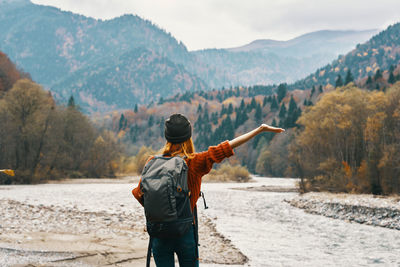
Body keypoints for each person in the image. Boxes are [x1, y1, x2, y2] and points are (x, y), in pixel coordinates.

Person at [132, 113, 285, 267]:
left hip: (159, 232)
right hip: (184, 234)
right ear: (188, 137)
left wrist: (162, 210)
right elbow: (228, 146)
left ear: (167, 137)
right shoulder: (195, 162)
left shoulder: (152, 162)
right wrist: (259, 129)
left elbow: (139, 193)